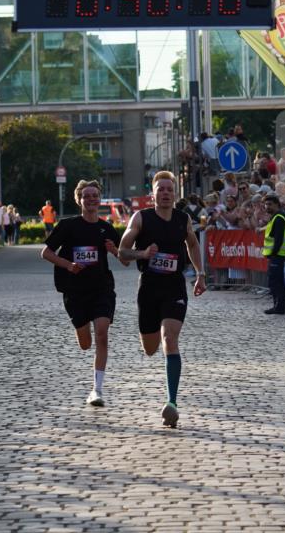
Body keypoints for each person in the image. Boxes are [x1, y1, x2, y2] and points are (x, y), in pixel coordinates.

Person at [119, 171, 206, 429]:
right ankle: (151, 345)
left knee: (170, 338)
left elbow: (192, 244)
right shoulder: (141, 218)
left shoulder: (183, 219)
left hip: (174, 286)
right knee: (150, 347)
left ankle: (172, 403)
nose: (166, 193)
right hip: (148, 287)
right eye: (161, 189)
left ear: (174, 194)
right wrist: (144, 253)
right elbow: (122, 251)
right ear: (153, 194)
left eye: (170, 189)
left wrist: (200, 274)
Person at [42, 180, 127, 407]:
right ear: (79, 199)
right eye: (87, 195)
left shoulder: (106, 227)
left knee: (102, 333)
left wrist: (115, 251)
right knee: (86, 343)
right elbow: (46, 252)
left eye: (95, 195)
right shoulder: (68, 226)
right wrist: (68, 265)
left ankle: (97, 390)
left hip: (102, 288)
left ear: (99, 199)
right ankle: (81, 331)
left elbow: (125, 259)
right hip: (75, 290)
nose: (91, 199)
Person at [261, 194, 285, 315]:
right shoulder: (276, 217)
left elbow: (278, 239)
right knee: (277, 281)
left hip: (277, 254)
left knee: (275, 282)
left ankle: (280, 307)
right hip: (277, 254)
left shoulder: (278, 218)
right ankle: (279, 306)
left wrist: (273, 253)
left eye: (270, 204)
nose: (267, 207)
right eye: (266, 204)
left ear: (277, 205)